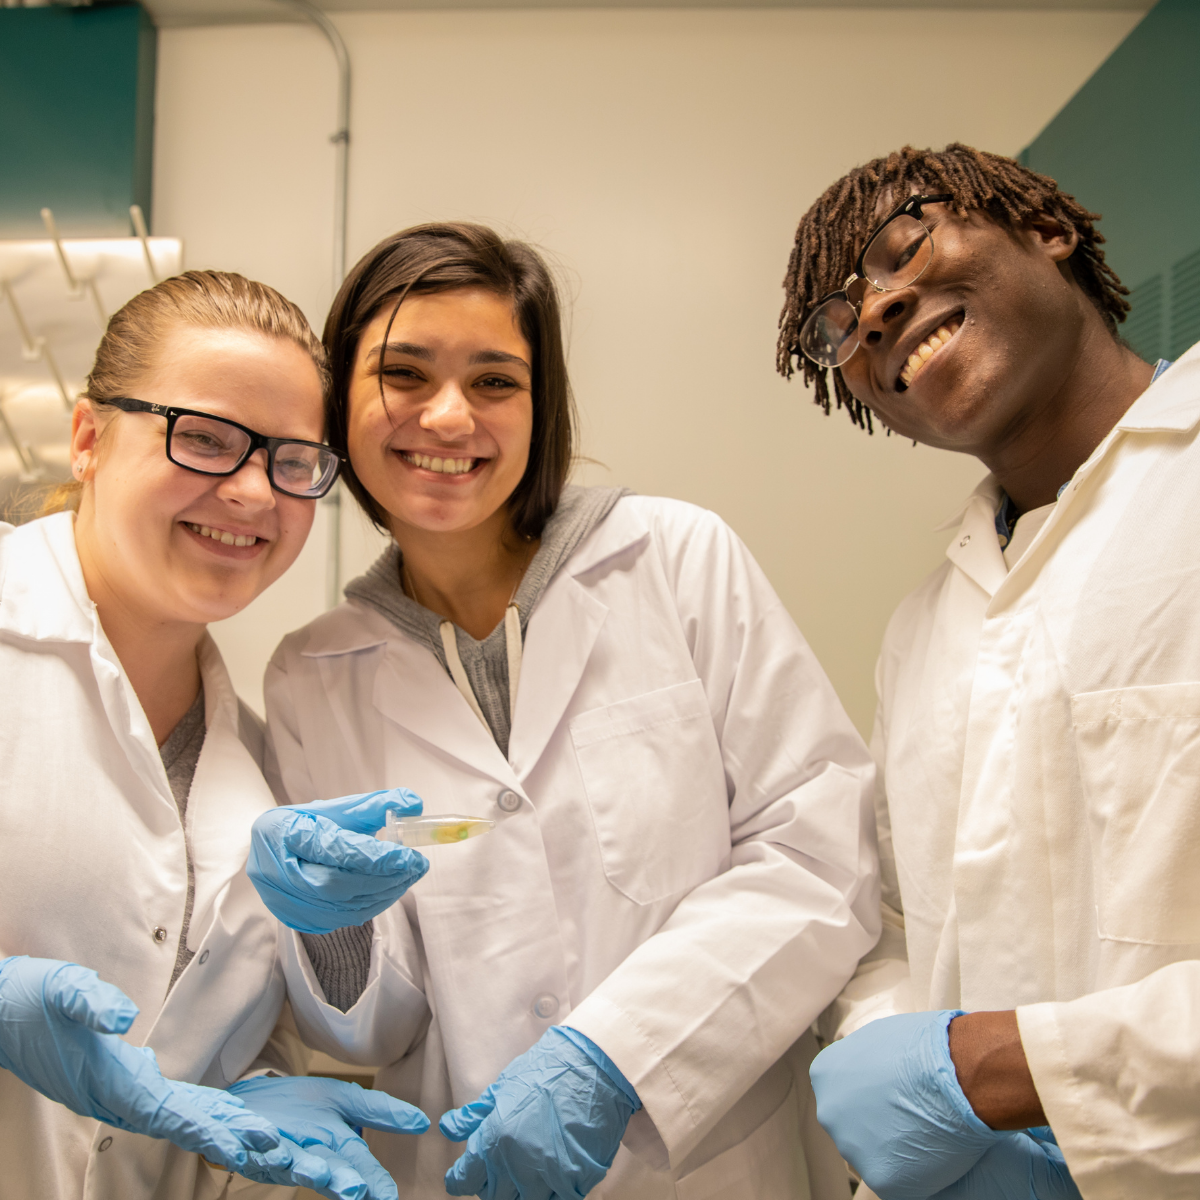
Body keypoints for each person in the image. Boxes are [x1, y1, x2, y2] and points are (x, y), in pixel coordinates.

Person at [247, 221, 882, 1200]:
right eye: (404, 375)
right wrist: (331, 934)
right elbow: (372, 1031)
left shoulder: (676, 561)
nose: (450, 418)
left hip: (713, 1163)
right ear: (340, 409)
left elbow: (820, 854)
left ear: (543, 408)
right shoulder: (312, 676)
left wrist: (613, 1056)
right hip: (465, 1166)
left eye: (496, 380)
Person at [776, 142, 1200, 1199]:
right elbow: (904, 927)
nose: (870, 314)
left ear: (1046, 231)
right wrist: (897, 1055)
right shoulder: (924, 632)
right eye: (839, 324)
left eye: (901, 244)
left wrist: (1014, 1071)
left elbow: (978, 1058)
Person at [0, 270, 428, 1200]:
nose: (249, 492)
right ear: (87, 439)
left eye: (294, 461)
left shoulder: (262, 767)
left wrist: (258, 1091)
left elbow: (205, 1048)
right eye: (202, 438)